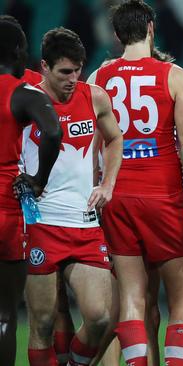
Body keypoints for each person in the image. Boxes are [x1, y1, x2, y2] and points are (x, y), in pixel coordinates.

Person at [88, 1, 183, 365]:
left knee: (131, 298)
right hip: (162, 197)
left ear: (116, 36)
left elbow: (92, 149)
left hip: (116, 196)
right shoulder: (173, 76)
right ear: (151, 29)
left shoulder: (97, 79)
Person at [21, 27, 123, 366]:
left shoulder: (94, 97)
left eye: (78, 70)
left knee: (99, 318)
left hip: (84, 222)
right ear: (44, 67)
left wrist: (107, 184)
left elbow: (115, 139)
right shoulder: (25, 102)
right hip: (40, 224)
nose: (73, 78)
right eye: (65, 71)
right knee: (43, 323)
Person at [0, 15, 62, 366]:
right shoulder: (22, 93)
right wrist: (38, 179)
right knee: (4, 313)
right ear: (17, 50)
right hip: (5, 206)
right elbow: (52, 132)